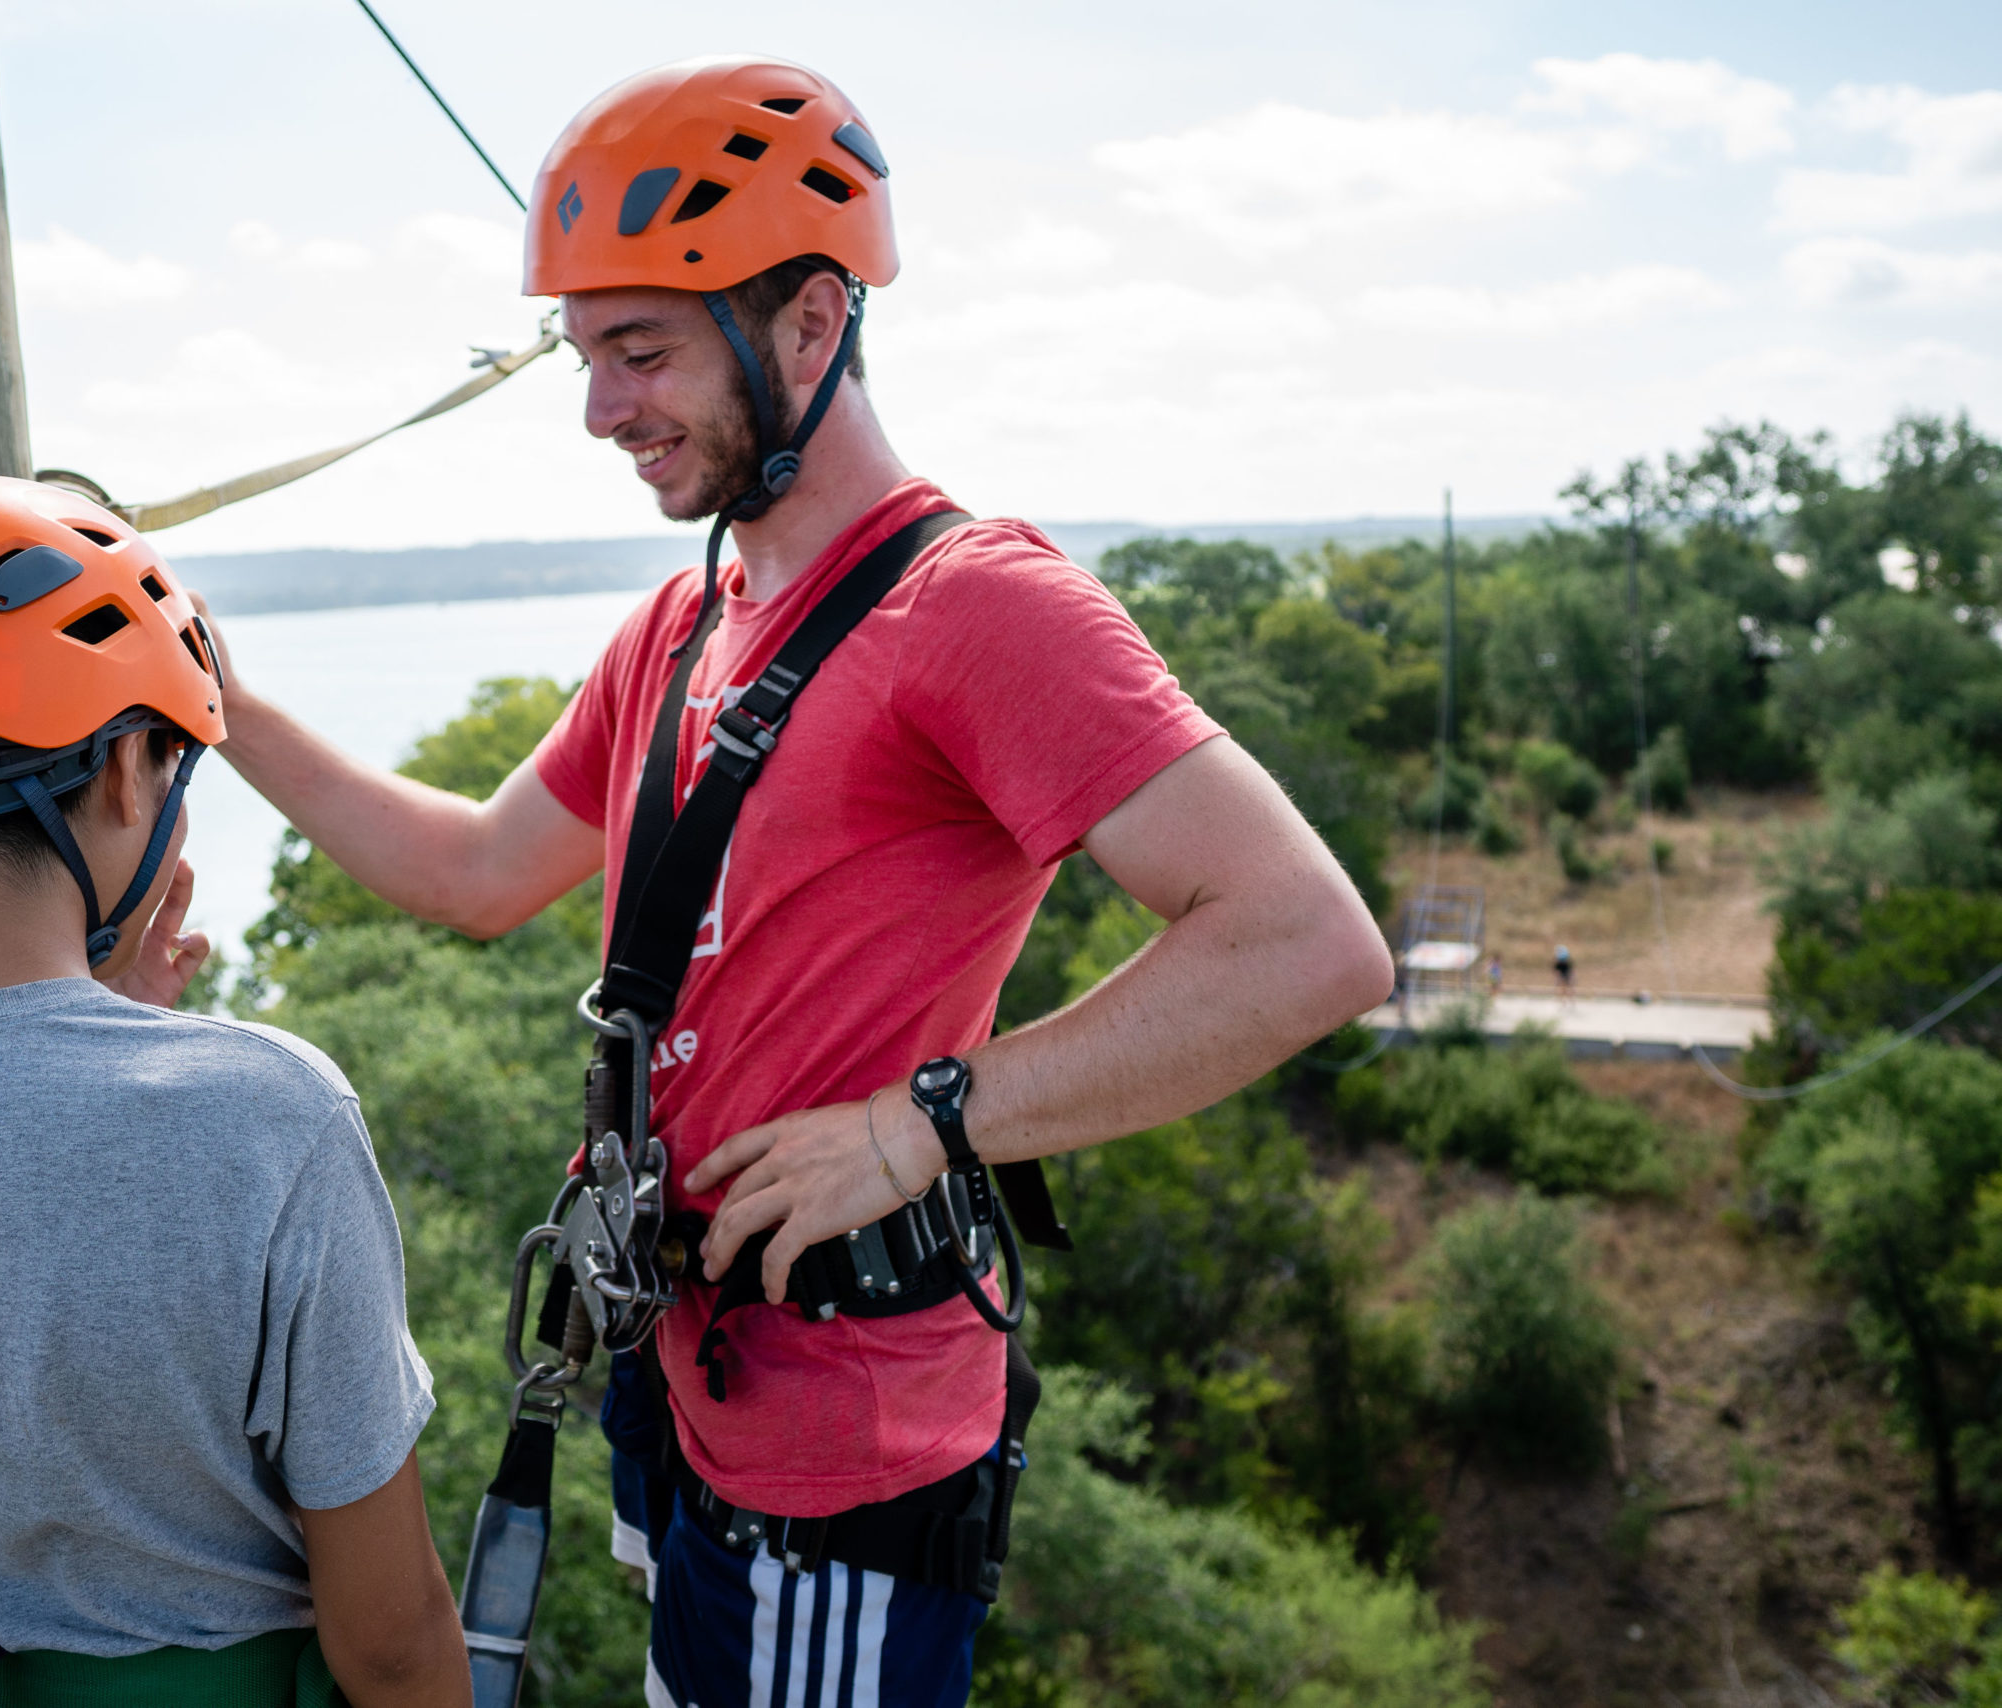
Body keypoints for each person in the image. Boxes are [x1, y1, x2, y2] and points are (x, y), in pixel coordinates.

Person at [200, 56, 1392, 1708]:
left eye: (643, 352)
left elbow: (1305, 943)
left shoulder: (976, 610)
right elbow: (475, 870)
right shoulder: (683, 627)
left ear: (816, 324)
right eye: (587, 357)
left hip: (842, 1426)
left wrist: (922, 1122)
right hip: (679, 1365)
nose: (603, 409)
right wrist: (219, 699)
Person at [0, 476, 469, 1708]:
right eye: (168, 760)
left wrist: (104, 1005)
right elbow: (388, 1638)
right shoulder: (269, 1115)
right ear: (122, 768)